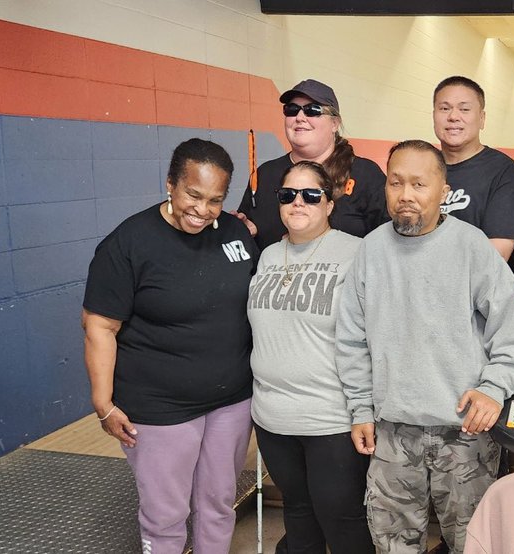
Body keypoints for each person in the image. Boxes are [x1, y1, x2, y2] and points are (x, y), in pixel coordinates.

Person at [336, 140, 514, 554]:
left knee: (473, 542)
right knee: (391, 544)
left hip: (464, 430)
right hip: (391, 432)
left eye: (419, 184)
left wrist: (494, 388)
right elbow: (352, 339)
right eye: (395, 183)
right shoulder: (370, 250)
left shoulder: (472, 246)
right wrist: (360, 408)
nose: (406, 195)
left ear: (443, 191)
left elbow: (511, 329)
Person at [82, 139, 257, 554]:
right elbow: (99, 326)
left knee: (217, 504)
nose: (202, 209)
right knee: (165, 516)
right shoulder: (129, 243)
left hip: (232, 401)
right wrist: (103, 401)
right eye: (193, 195)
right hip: (160, 406)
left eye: (215, 200)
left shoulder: (234, 233)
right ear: (170, 185)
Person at [247, 161, 373, 554]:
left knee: (342, 517)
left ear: (330, 203)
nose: (297, 202)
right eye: (288, 195)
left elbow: (371, 339)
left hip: (331, 417)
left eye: (310, 195)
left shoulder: (356, 253)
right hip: (272, 417)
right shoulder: (267, 256)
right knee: (298, 515)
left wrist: (363, 410)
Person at [238, 79, 388, 250]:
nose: (300, 118)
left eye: (312, 110)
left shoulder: (365, 174)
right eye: (292, 110)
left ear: (335, 123)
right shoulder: (264, 175)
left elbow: (387, 242)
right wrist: (245, 232)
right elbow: (251, 235)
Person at [431, 76, 514, 262]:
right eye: (444, 108)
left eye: (465, 109)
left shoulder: (502, 171)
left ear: (482, 119)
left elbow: (495, 256)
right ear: (433, 115)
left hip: (477, 289)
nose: (453, 117)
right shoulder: (424, 167)